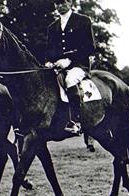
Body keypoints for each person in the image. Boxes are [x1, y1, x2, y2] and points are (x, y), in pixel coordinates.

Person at [45, 0, 96, 134]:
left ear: (70, 2)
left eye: (62, 2)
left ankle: (76, 121)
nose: (59, 6)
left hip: (79, 65)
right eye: (56, 3)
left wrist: (69, 60)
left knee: (69, 80)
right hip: (59, 66)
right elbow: (50, 50)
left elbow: (89, 47)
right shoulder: (52, 27)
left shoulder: (83, 21)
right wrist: (49, 61)